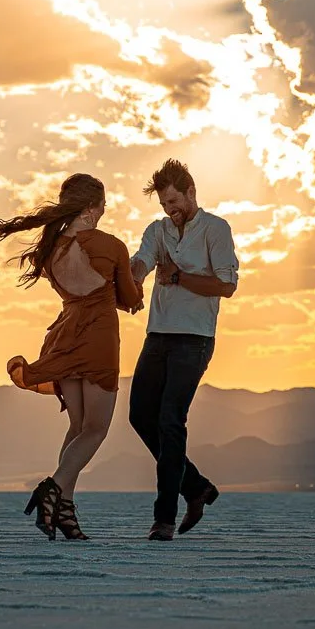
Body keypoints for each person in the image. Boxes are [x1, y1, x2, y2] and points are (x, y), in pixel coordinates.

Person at [0, 173, 142, 541]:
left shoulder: (49, 247)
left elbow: (85, 290)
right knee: (96, 429)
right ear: (91, 208)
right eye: (102, 205)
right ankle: (51, 489)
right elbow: (128, 300)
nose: (104, 211)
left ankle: (65, 513)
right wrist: (139, 279)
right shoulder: (111, 245)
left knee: (76, 427)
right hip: (99, 338)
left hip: (65, 335)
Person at [129, 159, 238, 541]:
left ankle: (164, 519)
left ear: (191, 192)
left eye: (173, 201)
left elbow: (226, 286)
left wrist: (177, 276)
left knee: (170, 421)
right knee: (140, 415)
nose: (168, 210)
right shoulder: (157, 231)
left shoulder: (215, 229)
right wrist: (135, 277)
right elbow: (142, 259)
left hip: (194, 339)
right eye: (163, 204)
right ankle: (196, 488)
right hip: (157, 335)